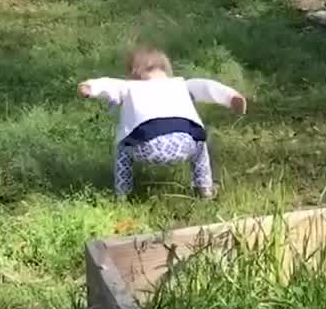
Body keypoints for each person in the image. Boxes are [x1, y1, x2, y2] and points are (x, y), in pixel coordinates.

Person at [79, 48, 247, 199]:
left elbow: (109, 84)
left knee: (122, 149)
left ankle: (122, 193)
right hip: (184, 145)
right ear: (166, 70)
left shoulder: (129, 86)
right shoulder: (181, 84)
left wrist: (90, 87)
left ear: (134, 73)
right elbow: (206, 87)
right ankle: (205, 188)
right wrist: (231, 98)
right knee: (200, 145)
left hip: (146, 147)